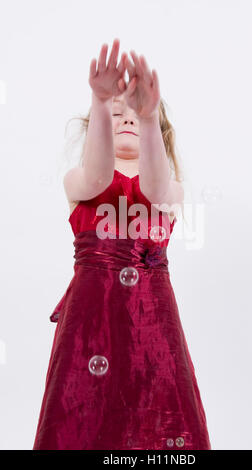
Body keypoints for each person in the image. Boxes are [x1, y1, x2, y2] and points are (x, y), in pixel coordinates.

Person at [33, 38, 211, 450]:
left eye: (137, 113)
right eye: (116, 114)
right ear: (96, 128)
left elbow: (153, 187)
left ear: (158, 131)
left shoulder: (171, 188)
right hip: (91, 319)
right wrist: (100, 101)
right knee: (85, 413)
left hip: (152, 320)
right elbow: (97, 177)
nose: (127, 117)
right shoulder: (80, 183)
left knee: (160, 414)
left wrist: (149, 120)